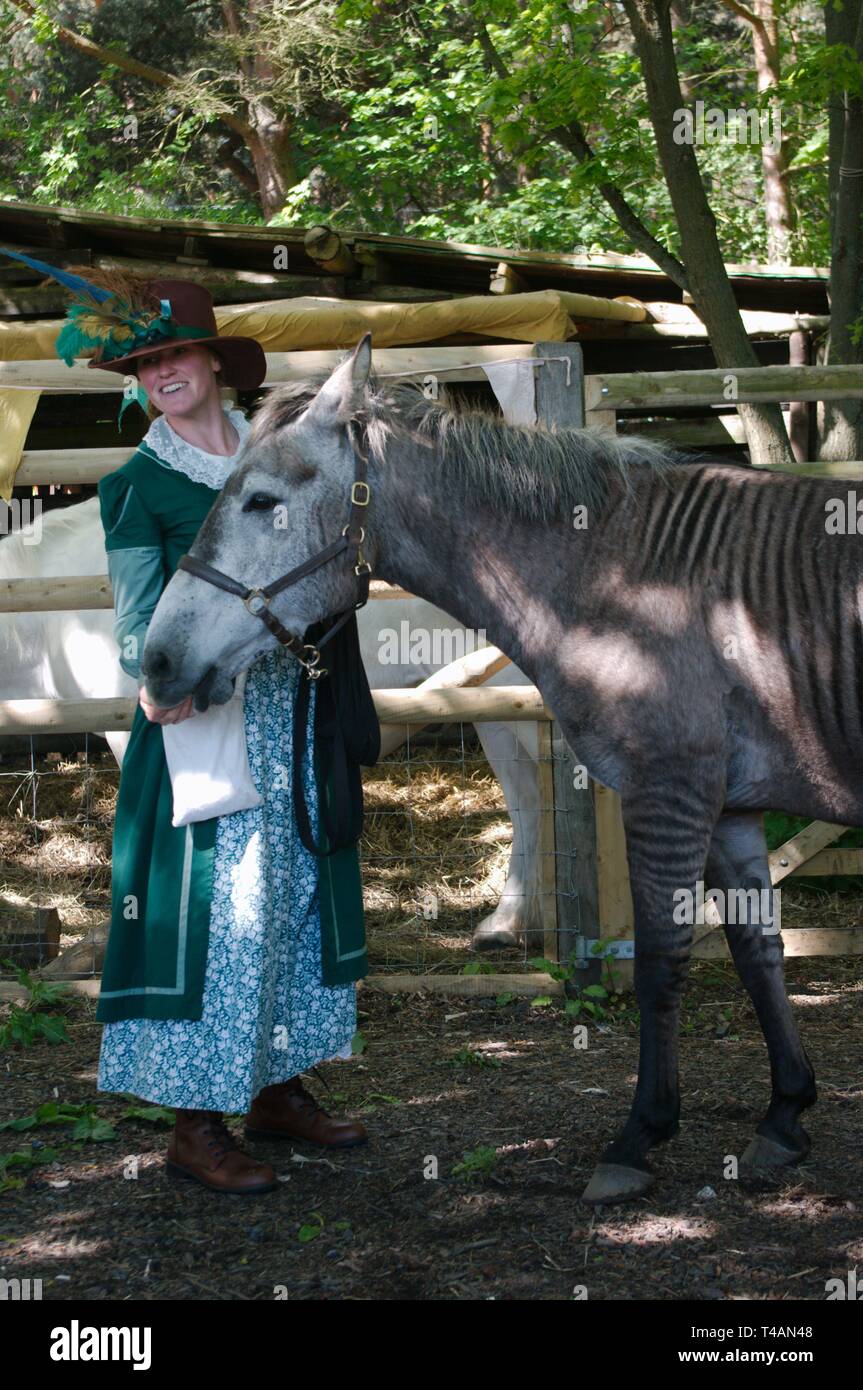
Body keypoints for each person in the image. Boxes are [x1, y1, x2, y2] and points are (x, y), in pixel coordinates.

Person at [69, 274, 370, 1195]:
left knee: (286, 902)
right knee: (214, 919)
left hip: (296, 711)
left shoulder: (275, 455)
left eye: (175, 354)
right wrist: (161, 684)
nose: (163, 371)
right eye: (147, 361)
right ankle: (193, 1126)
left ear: (212, 363)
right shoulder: (138, 485)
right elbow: (134, 626)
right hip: (207, 722)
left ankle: (275, 1091)